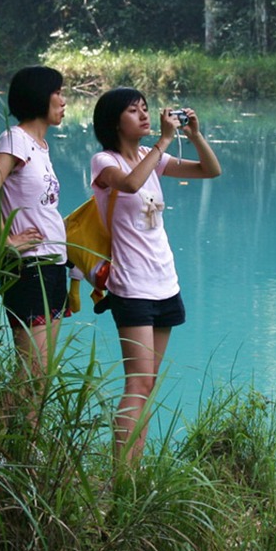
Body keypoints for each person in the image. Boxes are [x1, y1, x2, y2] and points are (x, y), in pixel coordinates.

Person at [90, 88, 221, 466]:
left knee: (148, 385)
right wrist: (164, 139)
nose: (145, 116)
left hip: (165, 281)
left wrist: (194, 135)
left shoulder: (151, 157)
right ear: (115, 122)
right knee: (138, 382)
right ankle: (121, 475)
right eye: (134, 111)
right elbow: (129, 184)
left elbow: (210, 170)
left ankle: (134, 468)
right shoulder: (104, 161)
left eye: (146, 109)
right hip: (131, 286)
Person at [0, 65, 70, 427]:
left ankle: (24, 455)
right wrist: (6, 239)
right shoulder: (15, 138)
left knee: (41, 375)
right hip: (28, 269)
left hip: (52, 266)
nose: (63, 100)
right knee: (31, 373)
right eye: (58, 92)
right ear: (39, 97)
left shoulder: (40, 147)